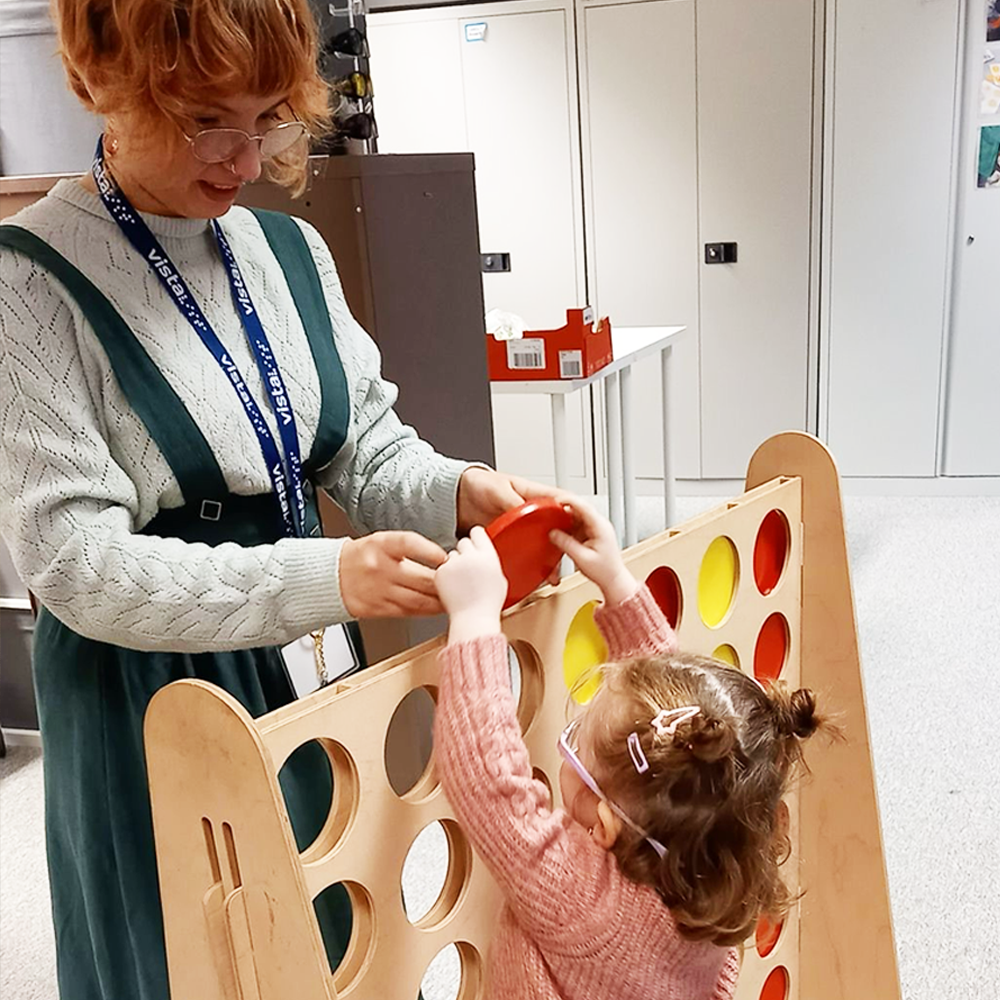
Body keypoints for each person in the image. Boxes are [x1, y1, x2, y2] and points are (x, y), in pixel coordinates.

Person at [0, 1, 557, 997]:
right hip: (150, 696)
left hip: (301, 662)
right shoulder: (28, 283)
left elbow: (366, 453)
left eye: (268, 119)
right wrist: (329, 573)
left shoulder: (286, 254)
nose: (245, 157)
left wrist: (464, 490)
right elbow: (77, 566)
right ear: (104, 79)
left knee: (336, 934)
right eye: (208, 118)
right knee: (196, 959)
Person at [433, 500, 831, 999]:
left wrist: (474, 617)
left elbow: (490, 786)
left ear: (602, 825)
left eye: (576, 743)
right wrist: (616, 583)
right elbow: (678, 729)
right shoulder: (715, 871)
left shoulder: (584, 902)